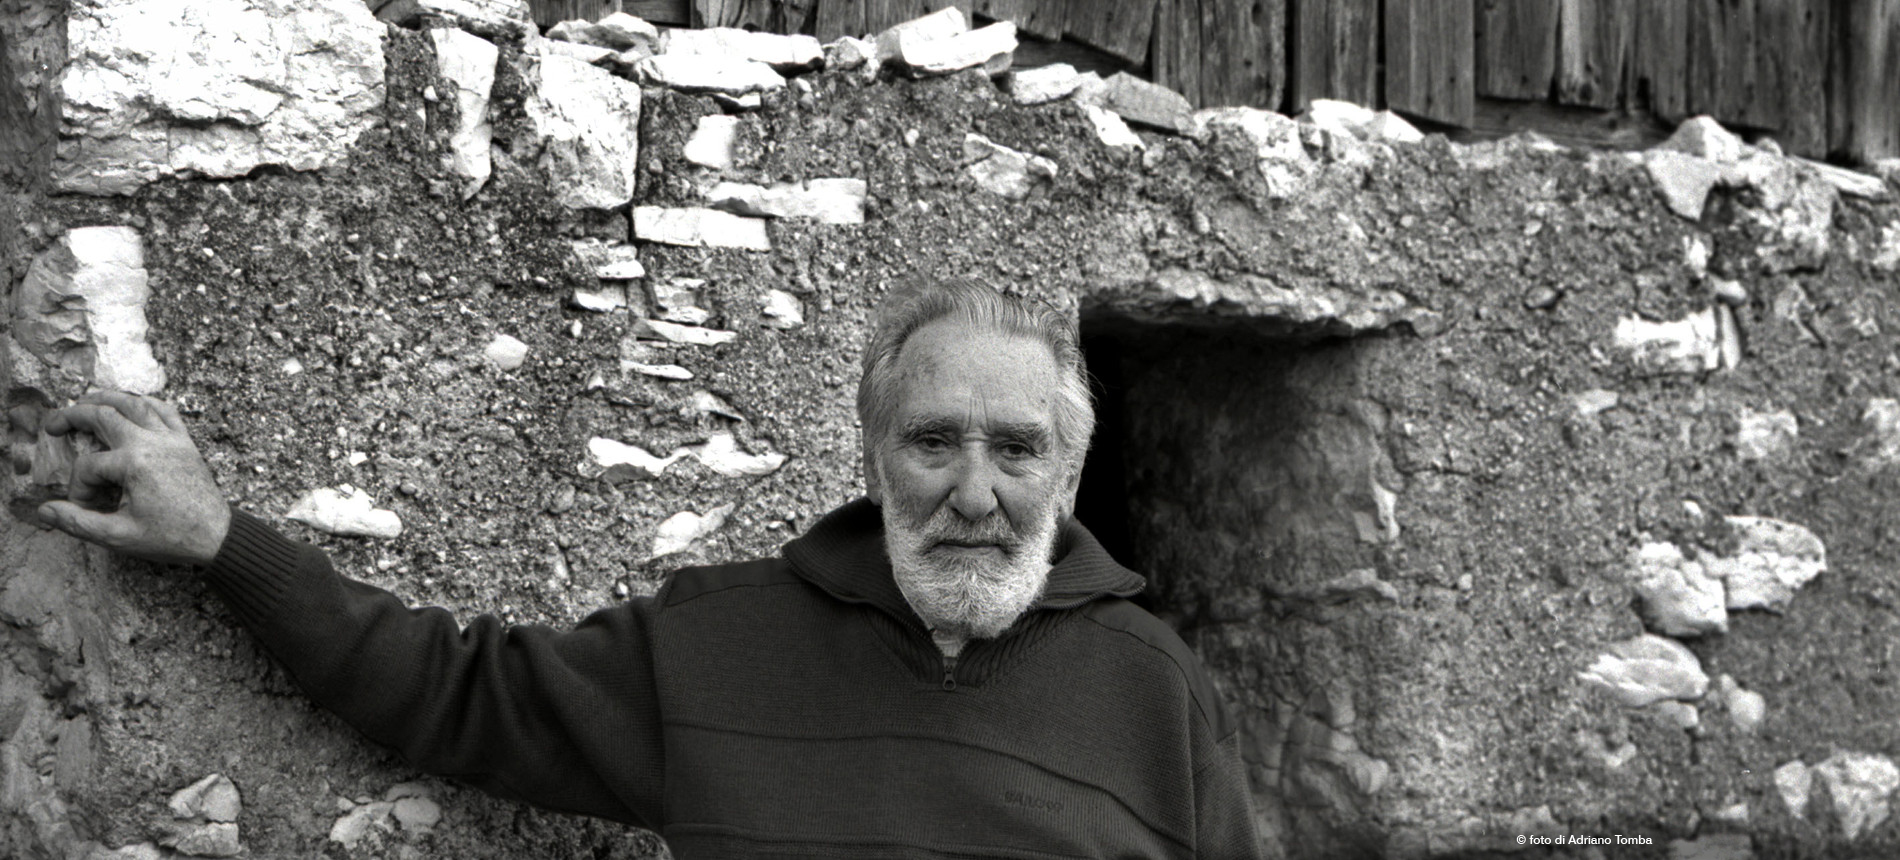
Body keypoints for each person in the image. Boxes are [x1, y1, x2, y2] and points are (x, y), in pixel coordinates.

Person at [35, 279, 1262, 858]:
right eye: (934, 441)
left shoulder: (1156, 689)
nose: (976, 491)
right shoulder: (716, 643)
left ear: (1068, 471)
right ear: (873, 457)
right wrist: (221, 537)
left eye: (1018, 449)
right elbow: (451, 690)